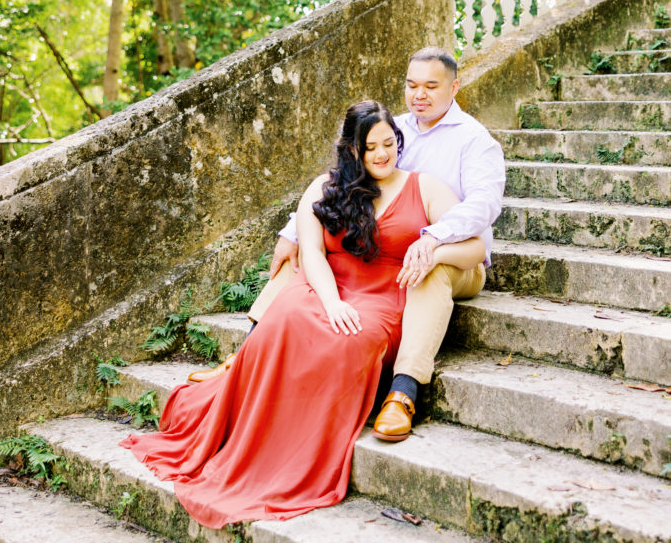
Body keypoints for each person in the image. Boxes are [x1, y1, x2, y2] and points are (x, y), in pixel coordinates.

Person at [120, 100, 485, 529]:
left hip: (388, 293)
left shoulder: (425, 187)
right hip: (333, 285)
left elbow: (477, 248)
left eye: (390, 143)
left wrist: (434, 247)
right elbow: (310, 251)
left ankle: (347, 422)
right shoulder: (324, 188)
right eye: (372, 148)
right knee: (290, 313)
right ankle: (248, 376)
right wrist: (331, 302)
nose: (383, 154)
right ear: (352, 150)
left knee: (352, 340)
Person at [197, 46, 506, 444]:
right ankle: (245, 357)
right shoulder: (395, 128)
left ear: (454, 86)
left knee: (429, 269)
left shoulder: (474, 141)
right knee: (309, 255)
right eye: (412, 85)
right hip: (386, 245)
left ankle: (404, 392)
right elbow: (344, 180)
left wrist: (433, 239)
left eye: (431, 86)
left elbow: (484, 207)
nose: (420, 94)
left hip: (456, 255)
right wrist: (293, 231)